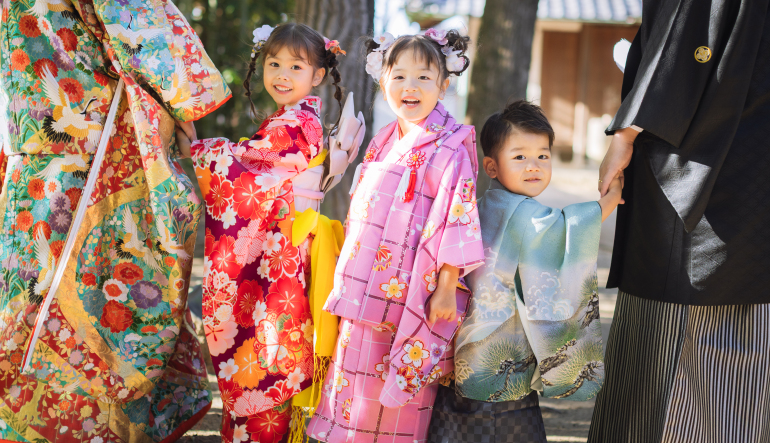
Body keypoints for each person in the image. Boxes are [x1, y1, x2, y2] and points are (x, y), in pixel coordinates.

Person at [0, 0, 232, 441]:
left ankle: (26, 422)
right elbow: (136, 19)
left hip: (31, 151)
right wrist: (180, 107)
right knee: (103, 280)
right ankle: (95, 426)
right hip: (96, 143)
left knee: (31, 282)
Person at [590, 0, 770, 440]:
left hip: (707, 160)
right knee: (727, 308)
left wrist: (627, 133)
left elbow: (691, 37)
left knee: (698, 305)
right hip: (742, 156)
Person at [307, 29, 485, 443]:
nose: (410, 87)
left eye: (424, 77)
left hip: (413, 292)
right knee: (352, 390)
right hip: (365, 287)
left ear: (443, 84)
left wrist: (445, 287)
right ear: (383, 80)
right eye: (399, 76)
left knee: (397, 408)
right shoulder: (384, 139)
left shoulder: (451, 145)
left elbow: (456, 217)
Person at [189, 22, 363, 443]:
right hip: (283, 246)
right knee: (266, 345)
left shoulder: (299, 123)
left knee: (269, 348)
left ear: (317, 76)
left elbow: (252, 165)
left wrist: (199, 150)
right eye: (274, 63)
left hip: (284, 254)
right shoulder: (292, 119)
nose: (282, 74)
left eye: (296, 66)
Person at [428, 100, 622, 443]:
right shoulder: (524, 213)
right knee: (506, 426)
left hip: (468, 343)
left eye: (542, 156)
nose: (533, 166)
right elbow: (566, 231)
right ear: (491, 165)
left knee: (459, 427)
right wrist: (611, 198)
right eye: (519, 157)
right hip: (502, 350)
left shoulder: (484, 204)